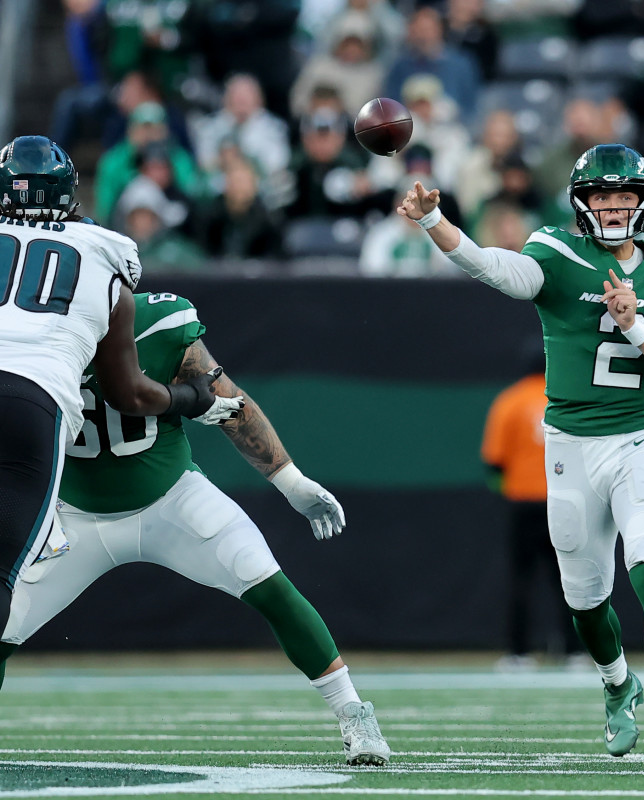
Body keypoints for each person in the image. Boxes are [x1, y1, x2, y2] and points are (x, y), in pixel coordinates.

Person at [400, 143, 644, 762]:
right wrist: (435, 221)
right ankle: (619, 685)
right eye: (601, 195)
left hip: (640, 437)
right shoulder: (559, 255)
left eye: (623, 196)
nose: (613, 207)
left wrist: (635, 327)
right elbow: (494, 268)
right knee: (584, 598)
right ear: (581, 202)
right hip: (568, 445)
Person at [0, 289, 390, 766]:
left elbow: (227, 402)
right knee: (4, 623)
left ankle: (353, 712)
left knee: (265, 579)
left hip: (171, 497)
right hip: (72, 511)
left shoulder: (160, 322)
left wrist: (290, 481)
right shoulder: (18, 333)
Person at [0, 135, 240, 648]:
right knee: (3, 576)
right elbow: (128, 393)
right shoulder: (106, 252)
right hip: (30, 403)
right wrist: (192, 399)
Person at [481, 343, 581, 670]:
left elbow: (494, 463)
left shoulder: (508, 401)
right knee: (569, 579)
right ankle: (575, 651)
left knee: (521, 581)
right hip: (563, 501)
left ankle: (518, 653)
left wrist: (506, 489)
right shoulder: (566, 398)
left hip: (523, 503)